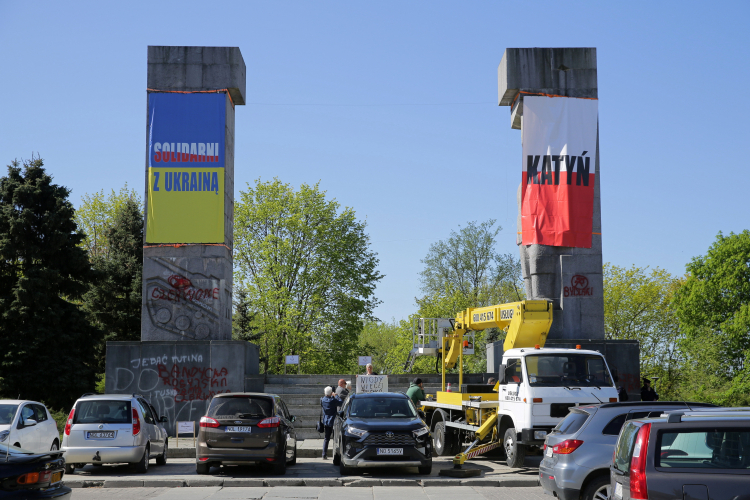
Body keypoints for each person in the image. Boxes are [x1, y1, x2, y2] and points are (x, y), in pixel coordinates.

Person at [320, 386, 341, 459]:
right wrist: (336, 396)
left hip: (326, 421)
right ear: (331, 392)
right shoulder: (333, 400)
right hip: (333, 420)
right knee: (336, 438)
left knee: (326, 438)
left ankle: (324, 454)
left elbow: (323, 398)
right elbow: (340, 402)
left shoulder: (322, 400)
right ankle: (337, 455)